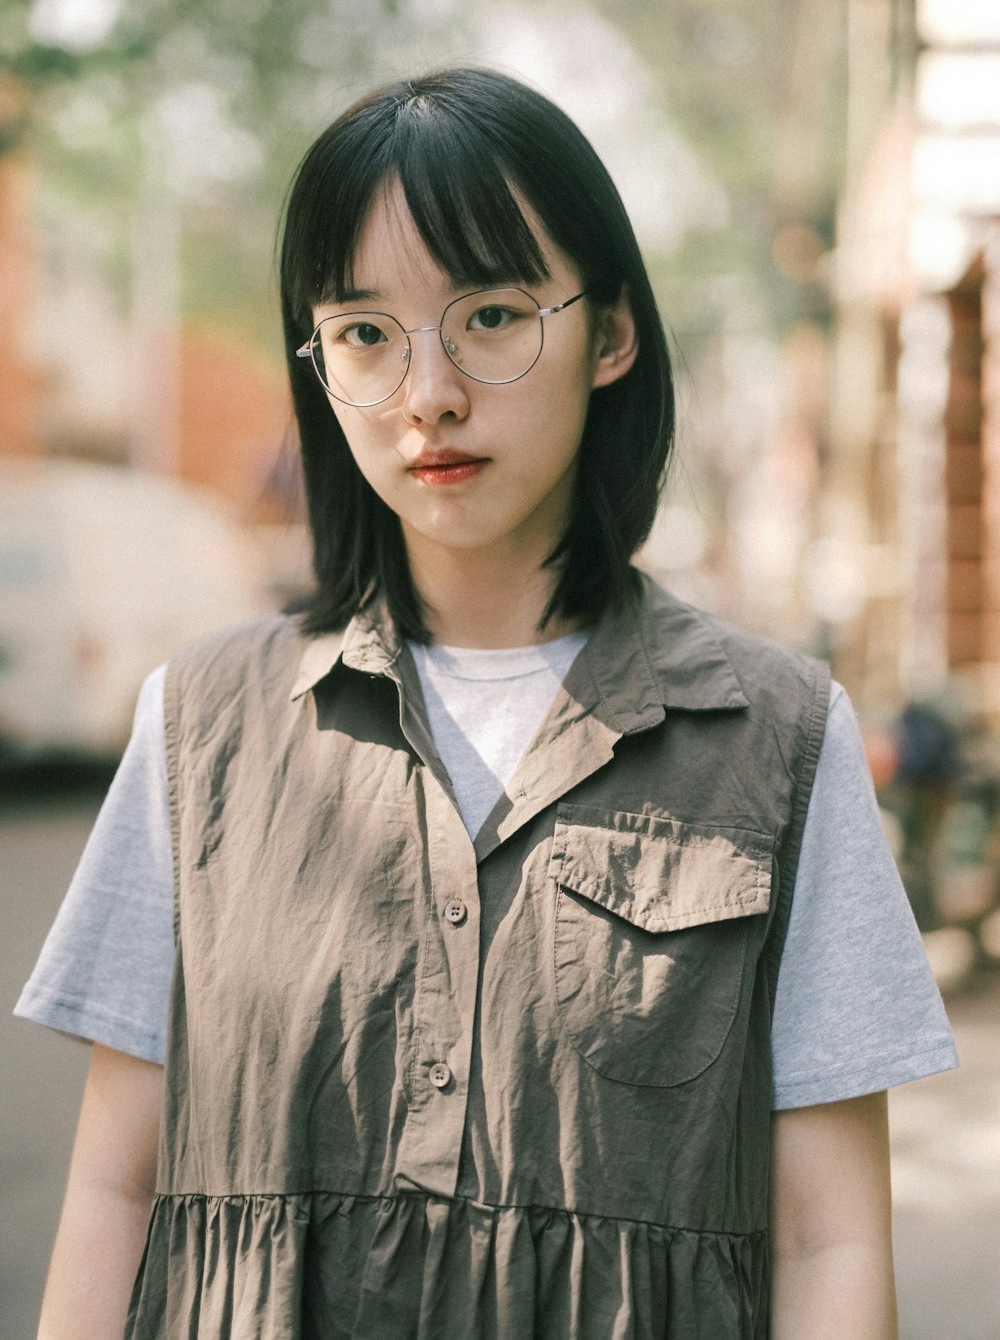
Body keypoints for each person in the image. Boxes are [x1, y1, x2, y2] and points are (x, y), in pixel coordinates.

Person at [17, 67, 958, 1340]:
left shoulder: (780, 736)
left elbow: (828, 1235)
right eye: (364, 332)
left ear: (611, 332)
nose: (430, 394)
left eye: (493, 316)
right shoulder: (200, 725)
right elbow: (113, 1185)